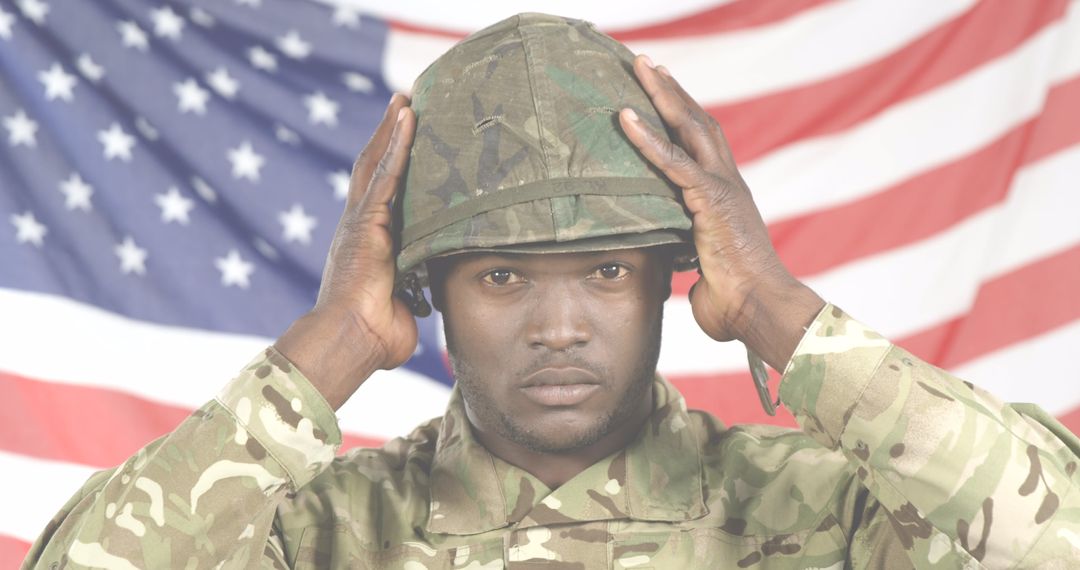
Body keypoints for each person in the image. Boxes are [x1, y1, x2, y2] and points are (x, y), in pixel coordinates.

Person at [22, 13, 1080, 569]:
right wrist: (331, 346)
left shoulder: (829, 513)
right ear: (425, 289)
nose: (560, 327)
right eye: (501, 276)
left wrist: (780, 315)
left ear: (678, 279)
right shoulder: (318, 536)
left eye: (609, 271)